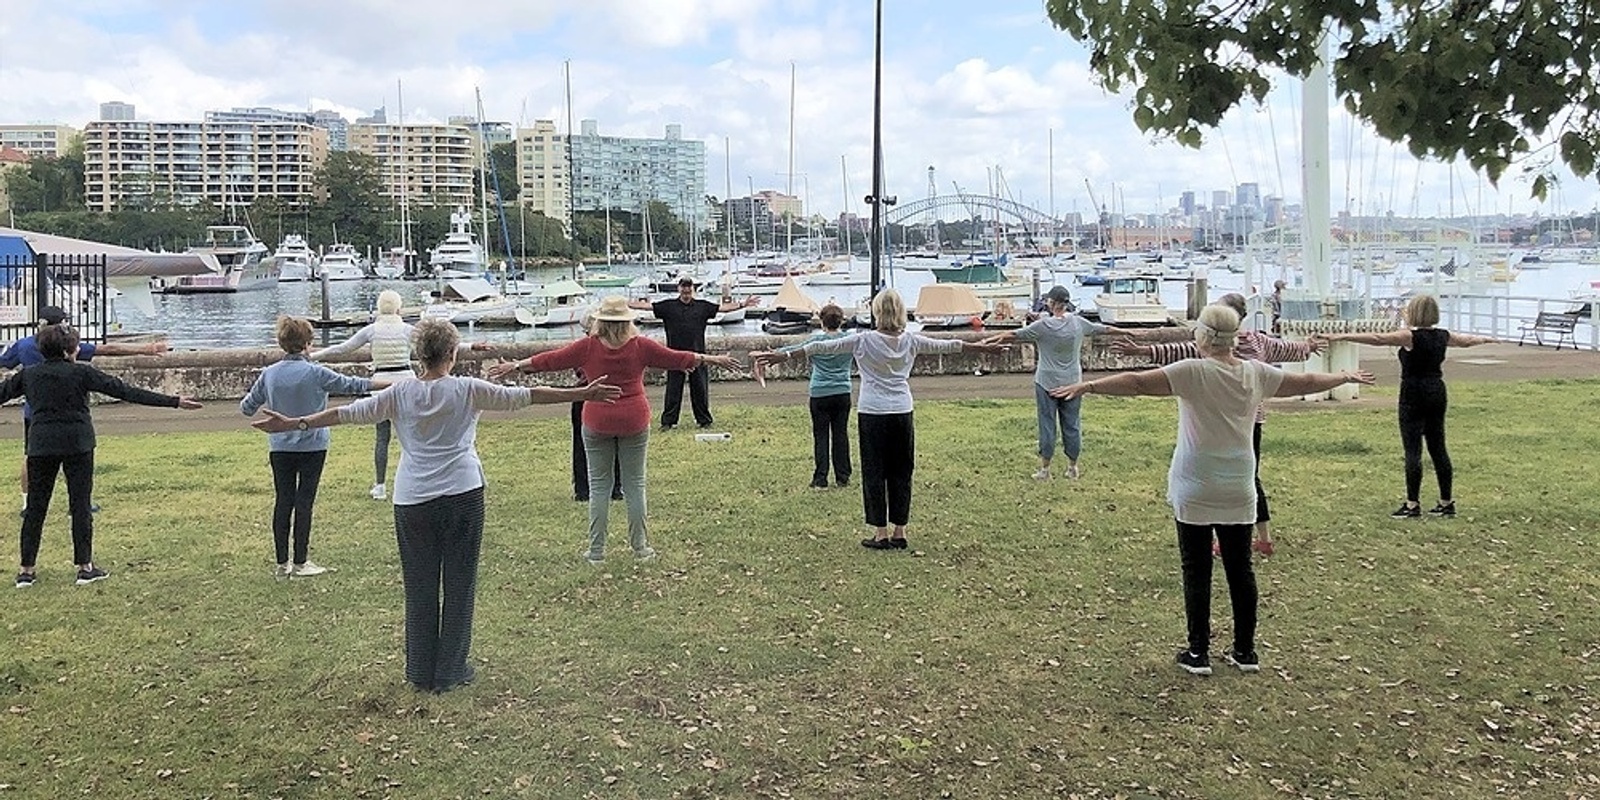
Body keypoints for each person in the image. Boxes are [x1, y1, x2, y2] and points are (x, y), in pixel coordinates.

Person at [250, 318, 621, 693]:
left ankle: (420, 669)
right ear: (451, 354)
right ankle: (451, 669)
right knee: (459, 583)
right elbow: (527, 396)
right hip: (463, 493)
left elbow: (344, 415)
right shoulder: (467, 390)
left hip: (413, 499)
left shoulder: (400, 393)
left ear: (418, 355)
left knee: (420, 585)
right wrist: (582, 394)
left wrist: (295, 424)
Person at [1051, 303, 1373, 676]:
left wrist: (1087, 385)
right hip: (1239, 486)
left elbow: (1137, 383)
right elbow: (1305, 383)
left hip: (1196, 485)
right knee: (1241, 569)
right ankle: (1245, 651)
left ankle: (1198, 652)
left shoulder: (1193, 372)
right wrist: (1344, 375)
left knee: (1196, 568)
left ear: (1202, 336)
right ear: (1234, 337)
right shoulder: (1255, 374)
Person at [487, 296, 742, 564]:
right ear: (627, 321)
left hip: (597, 418)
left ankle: (596, 552)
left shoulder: (587, 347)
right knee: (635, 485)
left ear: (600, 321)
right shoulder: (640, 346)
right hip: (634, 418)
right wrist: (711, 358)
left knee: (599, 487)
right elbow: (677, 358)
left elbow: (550, 360)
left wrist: (515, 366)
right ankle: (641, 548)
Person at [751, 288, 1009, 551]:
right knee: (902, 470)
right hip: (901, 411)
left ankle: (880, 532)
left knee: (874, 471)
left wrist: (782, 355)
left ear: (876, 312)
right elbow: (948, 346)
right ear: (900, 312)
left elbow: (820, 346)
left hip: (873, 411)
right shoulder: (911, 341)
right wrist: (978, 347)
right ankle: (900, 530)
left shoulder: (864, 340)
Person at [1111, 292, 1324, 555]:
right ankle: (1262, 537)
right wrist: (1308, 348)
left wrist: (1142, 350)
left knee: (1216, 479)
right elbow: (1288, 350)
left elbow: (1176, 352)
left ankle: (1226, 537)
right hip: (1250, 421)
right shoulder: (1260, 342)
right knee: (1248, 478)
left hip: (1227, 422)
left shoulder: (1212, 346)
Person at [0, 323, 201, 588]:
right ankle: (85, 566)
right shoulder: (81, 373)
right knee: (80, 505)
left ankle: (26, 570)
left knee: (36, 507)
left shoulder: (29, 375)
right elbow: (125, 391)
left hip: (41, 443)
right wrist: (173, 401)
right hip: (78, 443)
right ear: (70, 350)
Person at [1313, 293, 1496, 519]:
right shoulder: (1443, 336)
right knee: (1438, 446)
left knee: (1413, 449)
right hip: (1437, 389)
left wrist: (1340, 336)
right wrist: (1486, 339)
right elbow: (1466, 341)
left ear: (1414, 312)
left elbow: (1378, 338)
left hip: (1413, 391)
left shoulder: (1410, 336)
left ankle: (1412, 504)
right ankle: (1446, 502)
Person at [241, 316, 389, 578]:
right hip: (313, 445)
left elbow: (247, 407)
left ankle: (281, 563)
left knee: (283, 500)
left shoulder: (270, 374)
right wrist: (393, 383)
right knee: (304, 502)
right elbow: (354, 384)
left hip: (280, 446)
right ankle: (300, 561)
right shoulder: (315, 372)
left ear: (282, 342)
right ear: (308, 344)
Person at [310, 290, 488, 500]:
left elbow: (343, 348)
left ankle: (380, 485)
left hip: (380, 385)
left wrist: (313, 355)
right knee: (417, 434)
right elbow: (441, 344)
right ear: (398, 308)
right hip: (406, 381)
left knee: (382, 437)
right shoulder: (406, 330)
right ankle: (424, 474)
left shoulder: (371, 330)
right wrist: (471, 345)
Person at [0, 305, 167, 516]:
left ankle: (28, 504)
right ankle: (81, 504)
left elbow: (4, 363)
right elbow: (106, 350)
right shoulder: (67, 347)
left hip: (37, 412)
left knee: (31, 457)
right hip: (71, 412)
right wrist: (146, 349)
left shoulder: (23, 345)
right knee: (78, 458)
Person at [979, 285, 1132, 481]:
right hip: (1073, 382)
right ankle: (1073, 467)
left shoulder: (1043, 326)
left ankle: (1045, 470)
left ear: (1051, 303)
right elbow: (1104, 329)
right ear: (1066, 304)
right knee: (1072, 424)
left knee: (1047, 423)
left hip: (1046, 381)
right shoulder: (1079, 323)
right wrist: (1128, 333)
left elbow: (1015, 334)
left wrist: (992, 339)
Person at [629, 276, 756, 430]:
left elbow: (722, 308)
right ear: (679, 289)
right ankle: (668, 421)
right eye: (683, 287)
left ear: (693, 290)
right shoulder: (669, 306)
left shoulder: (702, 307)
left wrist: (743, 304)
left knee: (700, 389)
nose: (686, 291)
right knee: (673, 389)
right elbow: (647, 307)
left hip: (699, 354)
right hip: (674, 355)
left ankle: (704, 420)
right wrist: (625, 304)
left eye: (689, 288)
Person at [775, 303, 856, 488]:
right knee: (840, 434)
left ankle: (820, 477)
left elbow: (793, 350)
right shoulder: (849, 341)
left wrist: (769, 354)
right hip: (842, 390)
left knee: (821, 436)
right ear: (841, 321)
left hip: (820, 392)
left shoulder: (815, 343)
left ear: (822, 322)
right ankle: (843, 475)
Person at [568, 315, 622, 503]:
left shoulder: (587, 347)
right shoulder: (611, 347)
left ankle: (589, 488)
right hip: (597, 395)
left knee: (588, 442)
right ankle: (606, 487)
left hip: (592, 394)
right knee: (608, 441)